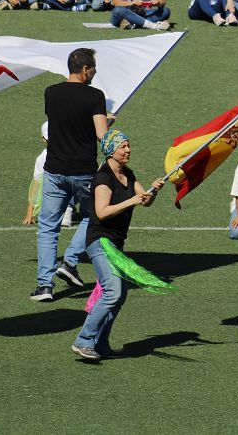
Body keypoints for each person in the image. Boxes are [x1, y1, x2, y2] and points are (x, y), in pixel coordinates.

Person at [71, 130, 165, 361]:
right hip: (100, 242)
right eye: (123, 146)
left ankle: (100, 344)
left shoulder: (127, 174)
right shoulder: (103, 177)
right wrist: (130, 201)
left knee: (119, 295)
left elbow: (145, 200)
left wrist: (153, 190)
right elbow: (102, 212)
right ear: (111, 151)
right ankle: (84, 340)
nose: (128, 150)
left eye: (128, 145)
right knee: (112, 292)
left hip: (115, 245)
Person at [32, 48, 111, 302]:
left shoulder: (51, 93)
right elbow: (100, 135)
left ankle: (45, 285)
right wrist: (109, 124)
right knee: (94, 216)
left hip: (54, 169)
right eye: (94, 69)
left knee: (47, 228)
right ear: (85, 69)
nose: (95, 73)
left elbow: (64, 122)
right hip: (84, 170)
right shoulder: (95, 96)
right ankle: (70, 261)